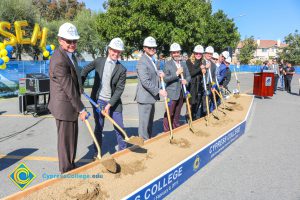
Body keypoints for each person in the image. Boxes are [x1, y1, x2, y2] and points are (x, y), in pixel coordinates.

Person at [48, 22, 88, 173]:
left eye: (75, 41)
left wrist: (81, 89)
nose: (72, 44)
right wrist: (81, 109)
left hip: (70, 104)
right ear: (60, 40)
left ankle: (71, 165)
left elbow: (74, 79)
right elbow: (68, 88)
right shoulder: (59, 59)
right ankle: (65, 171)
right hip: (64, 106)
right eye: (68, 40)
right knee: (65, 142)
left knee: (72, 139)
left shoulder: (70, 55)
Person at [81, 38, 127, 155]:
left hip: (114, 102)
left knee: (119, 126)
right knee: (99, 127)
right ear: (109, 49)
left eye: (118, 52)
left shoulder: (121, 69)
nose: (116, 54)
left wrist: (110, 104)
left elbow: (119, 89)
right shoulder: (99, 61)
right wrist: (80, 83)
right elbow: (85, 70)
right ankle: (98, 153)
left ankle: (123, 152)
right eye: (114, 51)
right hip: (98, 100)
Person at [135, 36, 167, 140]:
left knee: (149, 123)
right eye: (149, 47)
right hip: (144, 98)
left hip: (150, 97)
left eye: (154, 47)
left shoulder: (151, 60)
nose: (152, 49)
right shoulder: (142, 61)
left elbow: (151, 73)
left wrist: (159, 73)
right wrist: (159, 91)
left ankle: (148, 141)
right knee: (144, 125)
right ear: (144, 48)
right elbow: (145, 81)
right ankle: (143, 145)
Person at [163, 43, 190, 132]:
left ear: (180, 52)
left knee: (177, 112)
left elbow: (188, 76)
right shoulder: (168, 64)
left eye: (177, 52)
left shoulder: (183, 63)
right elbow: (166, 79)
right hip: (171, 94)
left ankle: (176, 127)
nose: (176, 54)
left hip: (181, 93)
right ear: (171, 54)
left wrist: (186, 81)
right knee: (169, 112)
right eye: (174, 53)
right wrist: (176, 74)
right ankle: (167, 130)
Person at [186, 45, 204, 120]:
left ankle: (193, 117)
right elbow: (192, 73)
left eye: (200, 54)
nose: (198, 55)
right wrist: (200, 68)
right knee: (190, 104)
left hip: (199, 86)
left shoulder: (202, 62)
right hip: (191, 86)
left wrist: (204, 71)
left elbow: (201, 75)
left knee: (197, 104)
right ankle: (188, 118)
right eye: (197, 53)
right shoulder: (189, 61)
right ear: (194, 53)